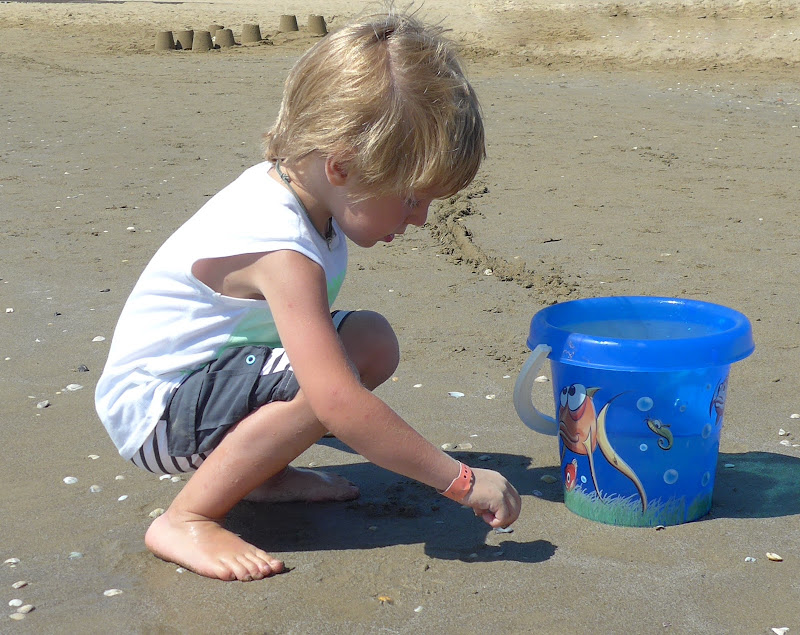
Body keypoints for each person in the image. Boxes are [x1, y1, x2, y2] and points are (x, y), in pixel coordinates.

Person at [95, 9, 521, 582]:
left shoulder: (305, 194)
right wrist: (459, 479)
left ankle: (259, 474)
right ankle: (187, 517)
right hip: (159, 415)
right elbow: (338, 403)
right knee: (327, 384)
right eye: (413, 199)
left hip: (204, 384)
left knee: (368, 340)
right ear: (342, 166)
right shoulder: (281, 248)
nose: (420, 221)